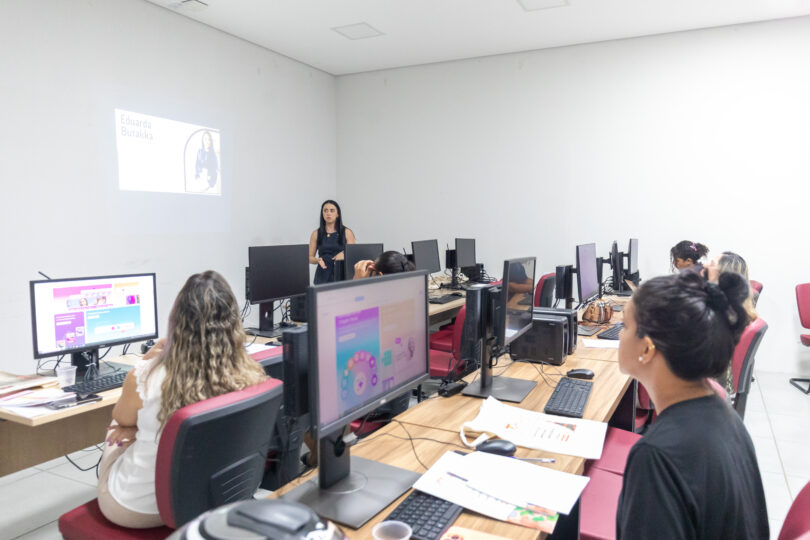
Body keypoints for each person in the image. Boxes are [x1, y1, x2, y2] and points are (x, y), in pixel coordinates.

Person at [98, 271, 266, 528]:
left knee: (117, 427)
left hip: (137, 510)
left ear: (176, 321)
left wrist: (146, 362)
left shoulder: (146, 375)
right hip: (211, 501)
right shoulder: (250, 375)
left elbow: (121, 417)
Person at [615, 271, 768, 539]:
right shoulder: (723, 412)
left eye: (625, 326)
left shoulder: (657, 456)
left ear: (647, 349)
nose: (619, 336)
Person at [309, 200, 355, 284]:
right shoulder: (316, 233)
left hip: (341, 276)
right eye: (325, 210)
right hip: (322, 276)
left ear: (337, 214)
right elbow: (309, 258)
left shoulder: (347, 232)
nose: (328, 213)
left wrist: (344, 254)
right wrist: (317, 260)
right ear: (322, 214)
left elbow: (353, 255)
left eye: (332, 210)